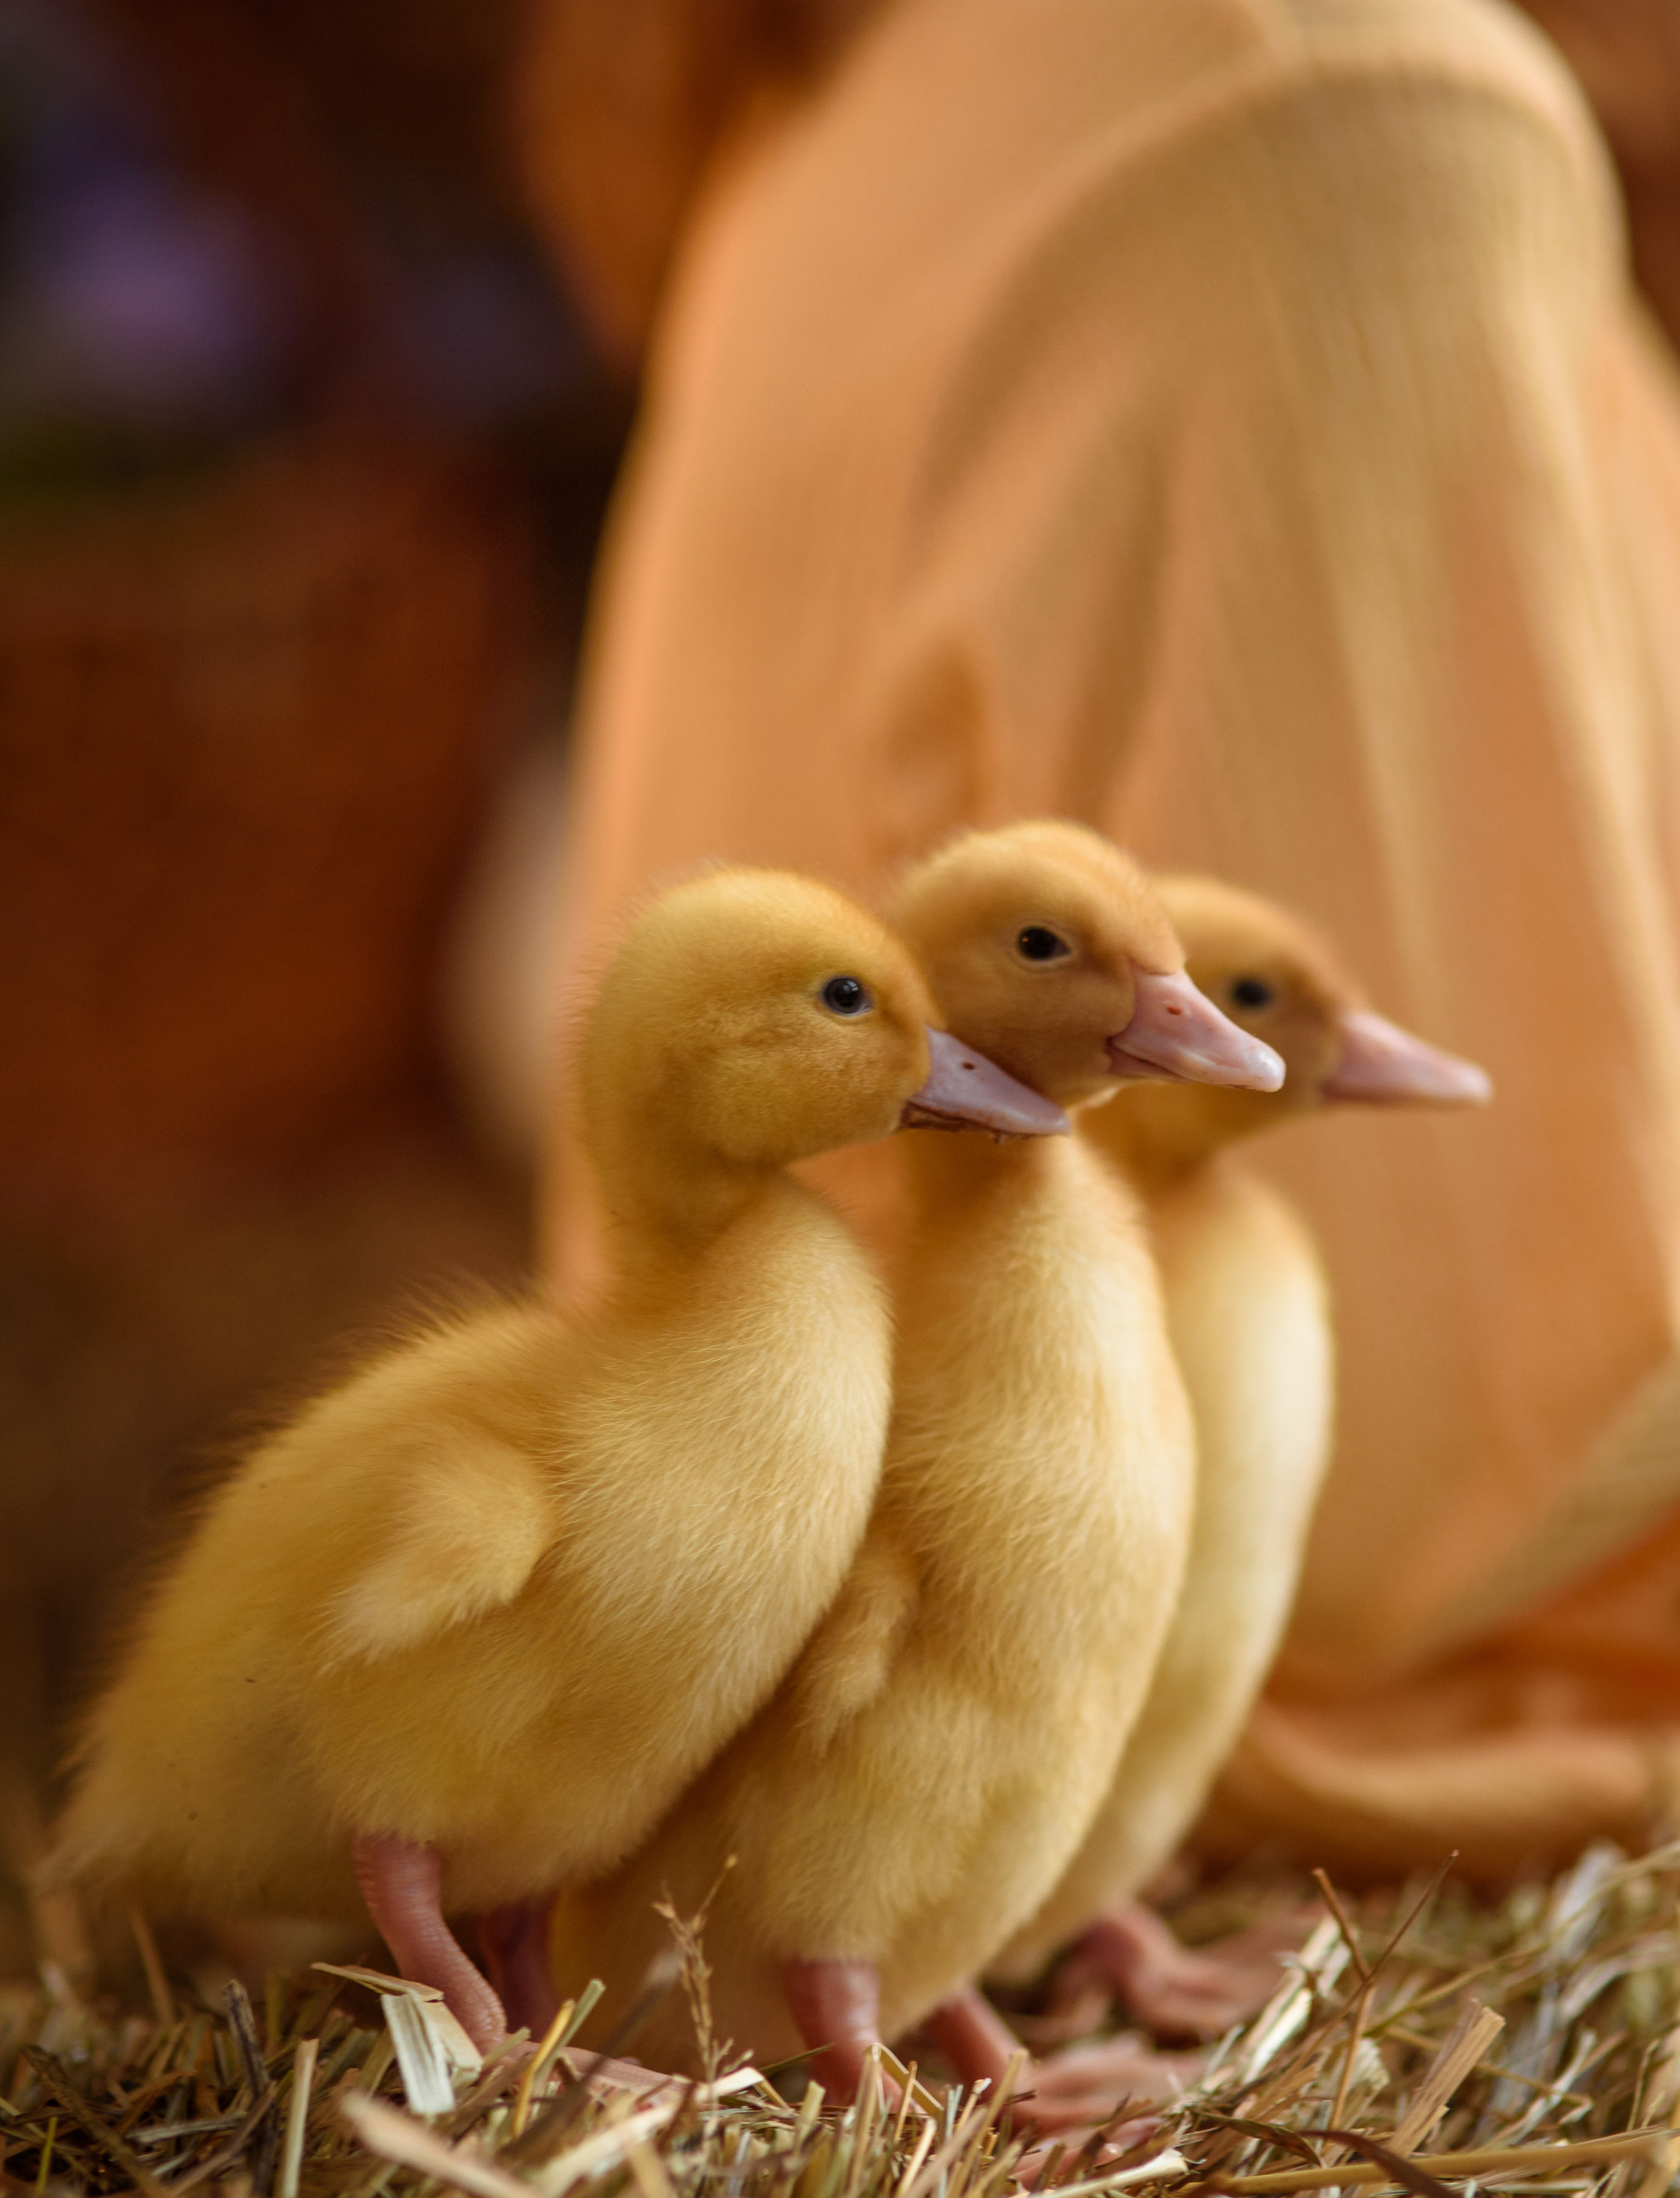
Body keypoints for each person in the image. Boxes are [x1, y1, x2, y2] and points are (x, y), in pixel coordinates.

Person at [516, 0, 1680, 1882]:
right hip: (1042, 1739)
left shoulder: (859, 78)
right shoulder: (1341, 116)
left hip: (768, 1682)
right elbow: (1418, 1519)